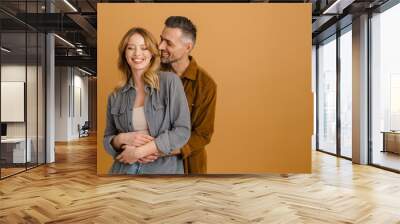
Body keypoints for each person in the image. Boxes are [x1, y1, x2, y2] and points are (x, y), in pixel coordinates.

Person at [103, 27, 191, 174]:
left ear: (152, 53)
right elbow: (107, 139)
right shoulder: (115, 96)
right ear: (124, 53)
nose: (137, 54)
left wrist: (140, 152)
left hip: (163, 172)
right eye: (131, 48)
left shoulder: (170, 82)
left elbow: (182, 131)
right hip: (123, 171)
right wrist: (123, 138)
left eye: (144, 48)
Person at [140, 16, 217, 174]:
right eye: (161, 39)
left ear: (187, 47)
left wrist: (163, 149)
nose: (160, 46)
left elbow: (203, 135)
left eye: (169, 43)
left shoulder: (206, 85)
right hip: (149, 164)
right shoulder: (149, 74)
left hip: (189, 166)